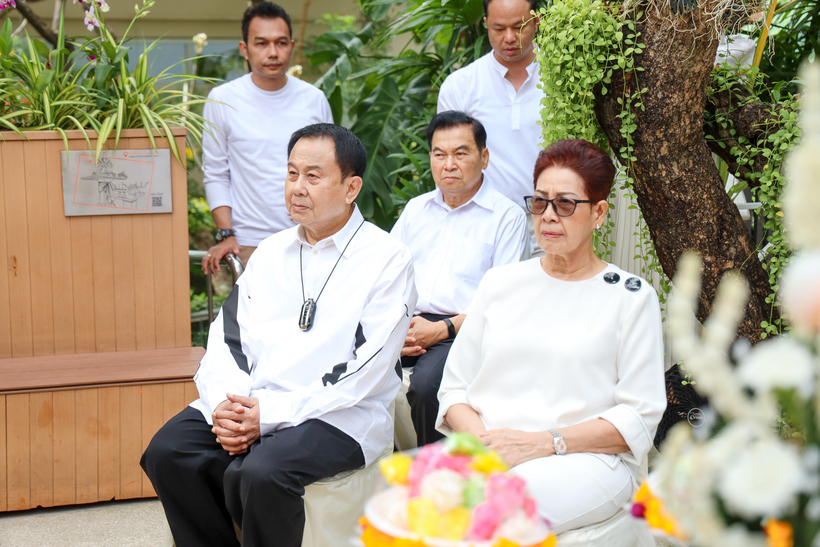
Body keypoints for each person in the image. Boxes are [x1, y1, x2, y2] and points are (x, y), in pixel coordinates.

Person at [142, 124, 417, 547]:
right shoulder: (271, 252)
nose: (297, 188)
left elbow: (363, 373)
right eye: (292, 174)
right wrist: (228, 405)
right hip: (255, 400)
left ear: (351, 187)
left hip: (341, 415)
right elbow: (228, 340)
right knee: (169, 451)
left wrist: (266, 414)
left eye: (313, 176)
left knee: (263, 473)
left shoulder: (386, 259)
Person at [436, 139, 666, 534]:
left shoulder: (630, 297)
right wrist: (489, 448)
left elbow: (638, 415)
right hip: (491, 451)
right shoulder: (500, 283)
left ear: (598, 213)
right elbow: (454, 390)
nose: (548, 216)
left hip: (586, 459)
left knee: (494, 515)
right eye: (540, 202)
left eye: (565, 204)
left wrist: (543, 442)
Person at [390, 111, 529, 446]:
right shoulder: (416, 210)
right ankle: (380, 464)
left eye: (460, 153)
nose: (448, 164)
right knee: (355, 366)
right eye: (439, 154)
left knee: (426, 388)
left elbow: (503, 301)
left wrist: (442, 329)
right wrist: (398, 327)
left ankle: (435, 470)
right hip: (409, 322)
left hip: (464, 329)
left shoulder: (506, 217)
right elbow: (386, 276)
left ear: (484, 157)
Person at [201, 2, 333, 274]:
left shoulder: (314, 99)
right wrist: (226, 234)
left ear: (291, 46)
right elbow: (215, 173)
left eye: (281, 43)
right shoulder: (222, 99)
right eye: (261, 43)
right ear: (244, 49)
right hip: (248, 244)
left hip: (309, 239)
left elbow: (331, 171)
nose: (273, 52)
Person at [437, 0, 544, 255]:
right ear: (485, 24)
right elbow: (448, 158)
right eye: (498, 28)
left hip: (551, 217)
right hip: (484, 223)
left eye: (519, 27)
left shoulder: (563, 77)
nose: (509, 38)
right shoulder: (461, 85)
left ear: (537, 22)